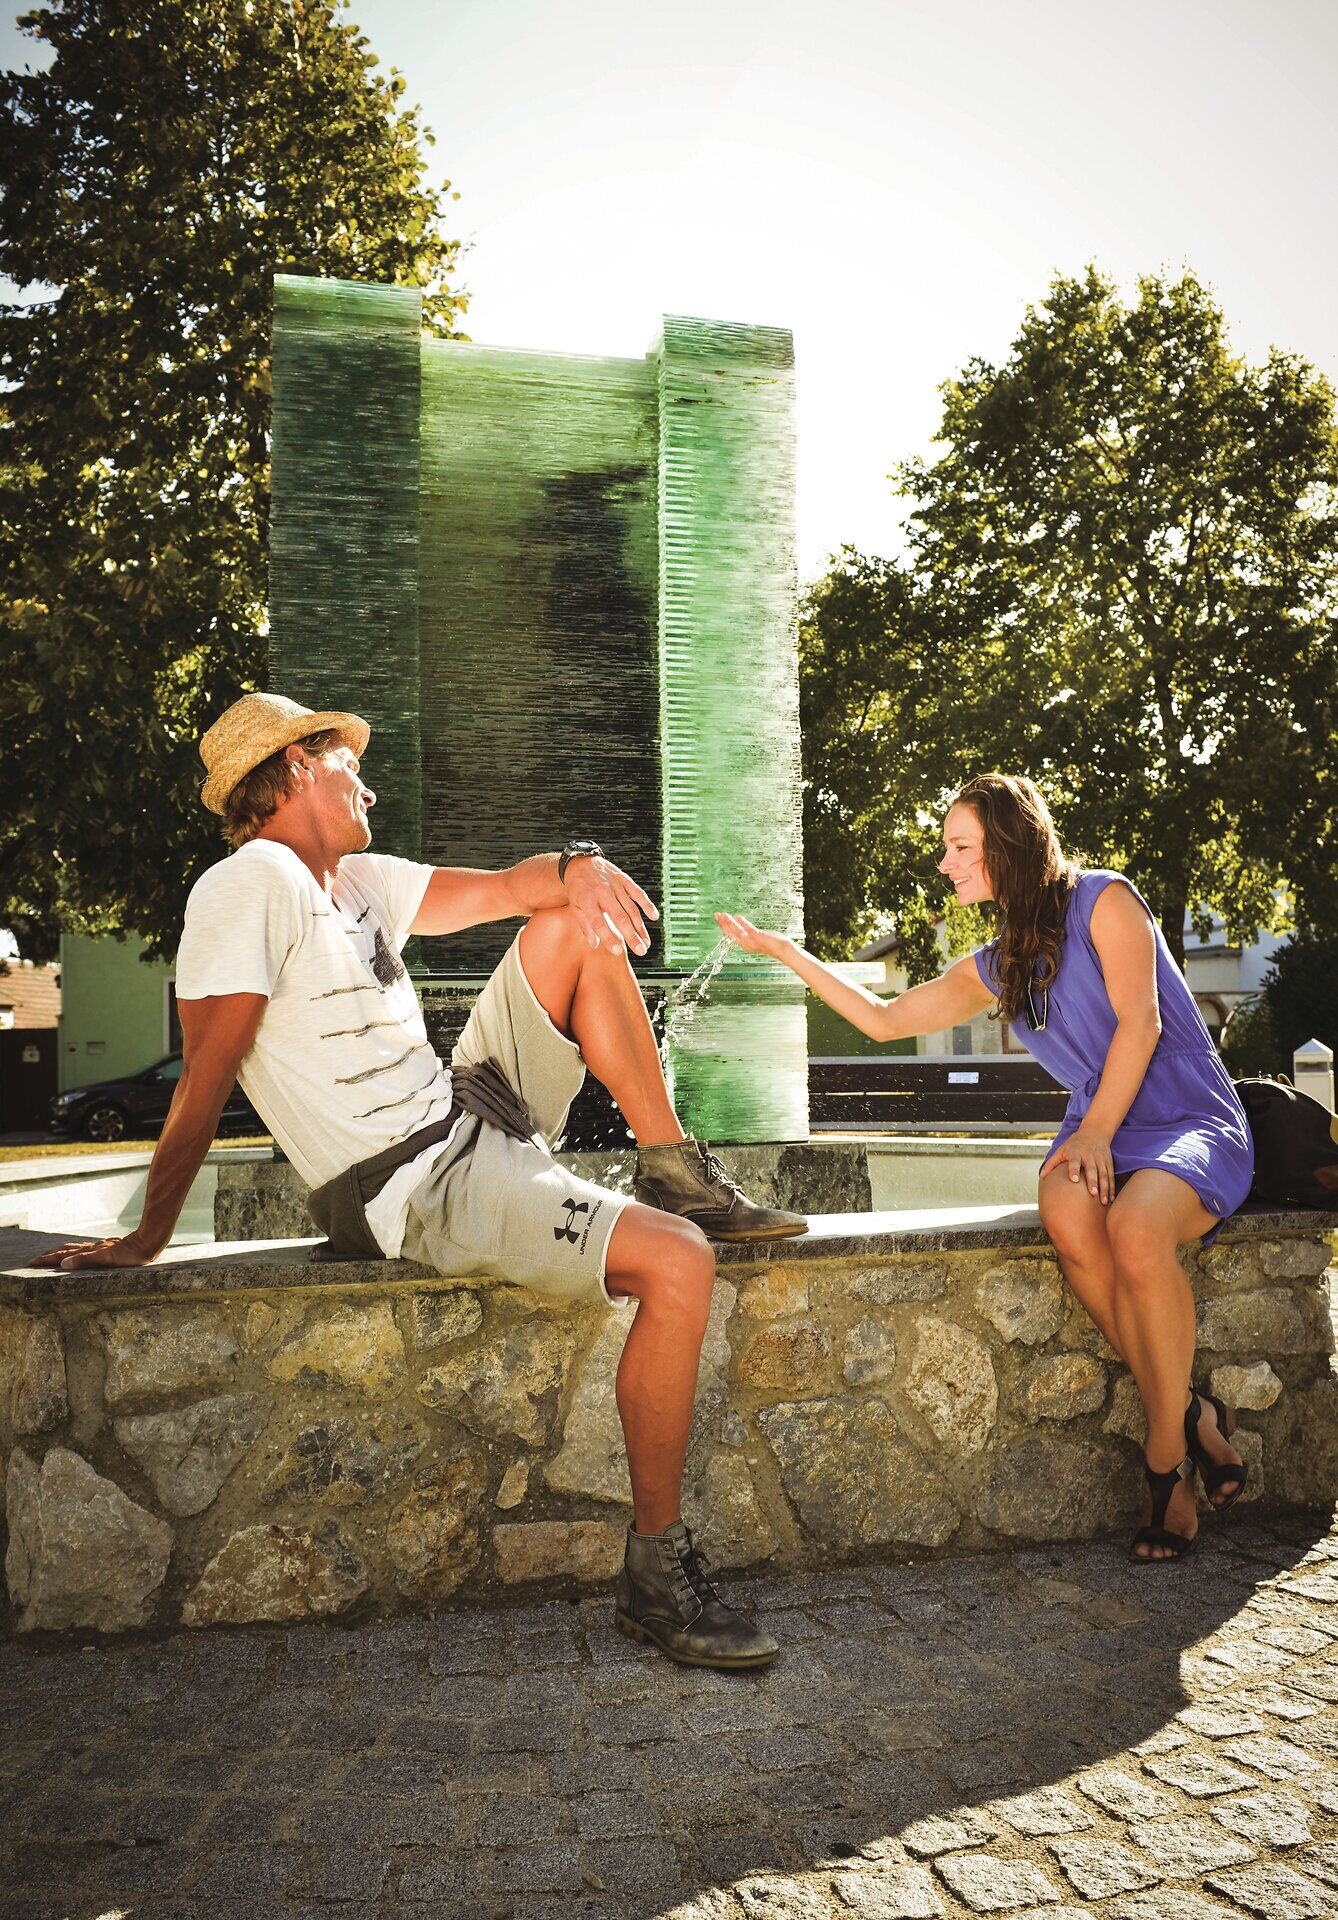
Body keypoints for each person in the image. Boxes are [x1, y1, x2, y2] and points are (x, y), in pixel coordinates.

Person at [37, 691, 809, 1667]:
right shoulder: (250, 885)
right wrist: (149, 1236)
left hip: (463, 1111)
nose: (368, 785)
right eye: (348, 766)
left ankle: (675, 1170)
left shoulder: (357, 879)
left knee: (574, 923)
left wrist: (578, 866)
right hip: (411, 1181)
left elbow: (512, 889)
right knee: (680, 1264)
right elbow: (206, 1073)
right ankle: (657, 1576)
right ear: (296, 768)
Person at [718, 772, 1254, 1565]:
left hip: (1184, 1115)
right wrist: (786, 953)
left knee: (1137, 1230)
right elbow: (886, 1019)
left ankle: (1164, 1460)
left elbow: (1141, 1025)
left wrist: (1095, 1133)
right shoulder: (1002, 961)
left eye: (960, 846)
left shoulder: (1106, 900)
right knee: (1067, 1212)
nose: (945, 864)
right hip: (1101, 1130)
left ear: (1009, 846)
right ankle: (1191, 1412)